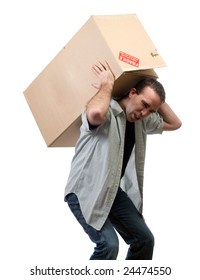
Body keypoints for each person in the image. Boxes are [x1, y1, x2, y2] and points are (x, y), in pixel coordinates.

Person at [64, 61, 182, 260]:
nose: (144, 113)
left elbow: (175, 123)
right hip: (84, 191)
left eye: (151, 110)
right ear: (132, 92)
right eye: (144, 105)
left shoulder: (141, 122)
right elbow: (95, 114)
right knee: (108, 245)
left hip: (112, 191)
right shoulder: (106, 110)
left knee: (144, 240)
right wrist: (108, 84)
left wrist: (152, 89)